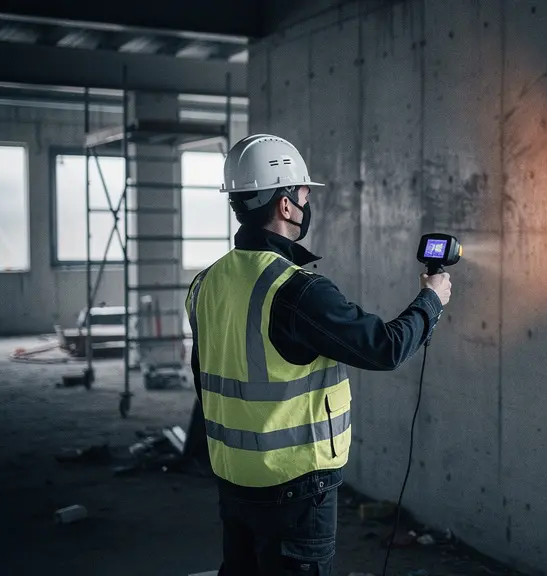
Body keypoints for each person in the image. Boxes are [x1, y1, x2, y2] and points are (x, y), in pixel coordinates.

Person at [184, 133, 452, 575]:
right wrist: (431, 301)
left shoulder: (205, 283)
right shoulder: (295, 290)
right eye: (304, 192)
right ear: (285, 205)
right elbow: (383, 348)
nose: (308, 201)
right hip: (295, 488)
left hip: (233, 478)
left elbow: (204, 378)